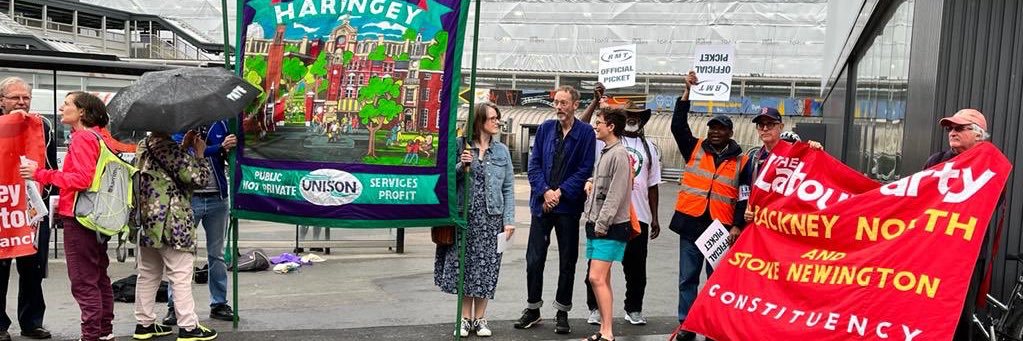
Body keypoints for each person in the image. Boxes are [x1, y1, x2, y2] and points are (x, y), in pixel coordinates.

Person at [19, 91, 112, 341]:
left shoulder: (82, 138)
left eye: (67, 104)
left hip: (79, 218)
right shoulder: (97, 136)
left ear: (82, 111)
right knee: (99, 276)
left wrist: (40, 173)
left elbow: (81, 180)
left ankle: (91, 335)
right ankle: (104, 332)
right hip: (96, 219)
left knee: (83, 281)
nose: (61, 108)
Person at [669, 71, 749, 341]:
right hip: (691, 223)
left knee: (716, 282)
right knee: (687, 279)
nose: (715, 132)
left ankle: (712, 326)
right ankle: (687, 325)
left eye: (721, 128)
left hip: (720, 229)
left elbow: (744, 196)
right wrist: (686, 92)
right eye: (712, 128)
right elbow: (678, 126)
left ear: (730, 132)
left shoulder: (742, 162)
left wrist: (738, 225)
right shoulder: (694, 147)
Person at [516, 85, 595, 334]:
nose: (558, 107)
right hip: (542, 205)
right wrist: (545, 192)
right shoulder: (545, 129)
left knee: (567, 261)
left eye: (563, 103)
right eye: (556, 102)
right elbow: (534, 164)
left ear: (575, 105)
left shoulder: (586, 134)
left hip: (568, 207)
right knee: (534, 259)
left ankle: (562, 311)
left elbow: (585, 168)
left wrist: (560, 192)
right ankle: (533, 308)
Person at [580, 93, 662, 327]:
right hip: (610, 216)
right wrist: (595, 102)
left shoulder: (650, 148)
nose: (634, 119)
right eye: (630, 115)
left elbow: (653, 184)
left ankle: (633, 308)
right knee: (598, 266)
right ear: (621, 119)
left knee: (636, 268)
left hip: (639, 215)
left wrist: (655, 217)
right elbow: (582, 127)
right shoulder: (604, 141)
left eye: (638, 116)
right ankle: (595, 308)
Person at [434, 103, 515, 338]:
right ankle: (464, 318)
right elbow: (447, 179)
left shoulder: (501, 152)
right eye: (492, 118)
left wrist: (508, 220)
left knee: (486, 269)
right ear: (479, 121)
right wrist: (463, 165)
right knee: (465, 268)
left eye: (498, 118)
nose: (497, 122)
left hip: (491, 218)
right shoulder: (461, 146)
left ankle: (480, 318)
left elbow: (508, 188)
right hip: (464, 216)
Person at [132, 130, 218, 341]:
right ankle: (188, 326)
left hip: (149, 220)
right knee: (180, 275)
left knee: (148, 274)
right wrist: (199, 153)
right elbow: (199, 178)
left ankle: (144, 324)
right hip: (173, 221)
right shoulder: (167, 146)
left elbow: (166, 173)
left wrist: (184, 146)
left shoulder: (144, 145)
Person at [924, 109, 992, 341]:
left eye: (959, 128)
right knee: (928, 310)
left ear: (979, 135)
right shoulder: (935, 161)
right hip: (934, 251)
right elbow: (916, 198)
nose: (952, 132)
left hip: (967, 256)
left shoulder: (991, 164)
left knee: (960, 315)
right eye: (950, 128)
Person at [162, 121, 237, 326]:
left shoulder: (221, 123)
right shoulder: (181, 125)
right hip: (189, 198)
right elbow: (184, 153)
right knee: (180, 255)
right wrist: (219, 147)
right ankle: (174, 306)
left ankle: (219, 303)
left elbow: (229, 151)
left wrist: (231, 143)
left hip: (217, 198)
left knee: (217, 254)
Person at [0, 77, 55, 341]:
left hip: (32, 210)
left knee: (32, 270)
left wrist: (49, 203)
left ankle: (32, 322)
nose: (21, 102)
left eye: (26, 98)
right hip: (3, 209)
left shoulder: (42, 126)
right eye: (15, 98)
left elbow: (50, 165)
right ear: (2, 101)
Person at [581, 108, 633, 341]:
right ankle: (604, 329)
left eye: (599, 122)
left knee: (596, 277)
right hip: (597, 224)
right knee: (603, 279)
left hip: (609, 226)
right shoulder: (607, 152)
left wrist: (601, 224)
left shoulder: (619, 154)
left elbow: (616, 194)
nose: (595, 125)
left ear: (611, 126)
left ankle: (608, 333)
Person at [739, 108, 822, 226]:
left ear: (781, 126)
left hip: (785, 223)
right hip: (759, 224)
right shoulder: (753, 158)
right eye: (761, 125)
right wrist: (747, 208)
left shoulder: (795, 155)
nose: (765, 129)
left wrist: (816, 151)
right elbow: (745, 188)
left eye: (770, 124)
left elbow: (816, 179)